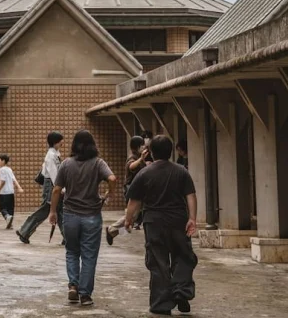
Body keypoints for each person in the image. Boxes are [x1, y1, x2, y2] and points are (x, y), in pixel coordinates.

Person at [125, 134, 198, 316]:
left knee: (158, 261)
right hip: (177, 220)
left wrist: (128, 219)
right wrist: (193, 219)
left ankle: (161, 304)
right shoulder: (181, 171)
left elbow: (134, 201)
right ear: (170, 151)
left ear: (151, 152)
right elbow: (191, 196)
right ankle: (181, 291)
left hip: (154, 222)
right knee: (184, 255)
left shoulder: (144, 173)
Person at [49, 129, 116, 308]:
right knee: (89, 256)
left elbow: (56, 189)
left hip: (70, 215)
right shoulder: (98, 163)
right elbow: (112, 178)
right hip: (92, 216)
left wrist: (53, 211)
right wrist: (108, 193)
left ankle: (73, 285)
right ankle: (85, 295)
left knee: (72, 251)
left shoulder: (66, 164)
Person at [16, 130, 64, 244]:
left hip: (52, 184)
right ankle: (25, 231)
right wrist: (60, 187)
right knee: (46, 209)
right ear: (55, 142)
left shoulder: (54, 154)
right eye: (61, 140)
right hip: (52, 185)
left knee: (60, 210)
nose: (63, 142)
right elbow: (53, 174)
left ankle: (67, 237)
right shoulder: (51, 156)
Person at [105, 134, 149, 245]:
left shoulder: (138, 157)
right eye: (142, 145)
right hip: (134, 190)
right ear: (137, 146)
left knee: (132, 219)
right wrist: (141, 159)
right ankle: (111, 229)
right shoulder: (133, 157)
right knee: (131, 217)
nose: (144, 147)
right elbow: (131, 166)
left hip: (139, 190)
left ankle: (113, 232)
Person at [0, 153, 24, 228]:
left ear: (3, 161)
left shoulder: (2, 170)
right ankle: (10, 224)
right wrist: (19, 187)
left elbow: (3, 181)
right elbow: (14, 179)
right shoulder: (9, 169)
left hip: (4, 192)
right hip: (11, 192)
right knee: (10, 209)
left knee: (2, 208)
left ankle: (8, 218)